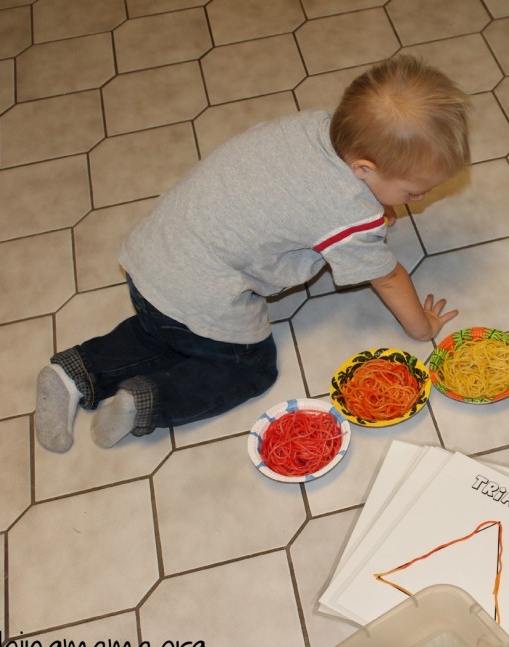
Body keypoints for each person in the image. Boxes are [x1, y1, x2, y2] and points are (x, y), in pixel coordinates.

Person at [34, 55, 470, 453]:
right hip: (199, 289)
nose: (422, 198)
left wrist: (384, 196)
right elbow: (388, 276)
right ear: (363, 170)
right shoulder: (351, 213)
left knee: (160, 328)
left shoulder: (316, 127)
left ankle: (73, 372)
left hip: (154, 257)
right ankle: (149, 401)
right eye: (414, 192)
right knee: (249, 367)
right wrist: (421, 328)